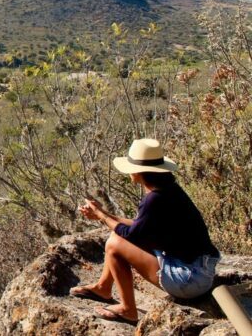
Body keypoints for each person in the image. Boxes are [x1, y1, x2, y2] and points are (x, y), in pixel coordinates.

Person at [69, 138, 220, 325]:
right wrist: (104, 214)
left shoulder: (154, 199)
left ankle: (128, 310)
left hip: (188, 280)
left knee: (114, 244)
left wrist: (101, 215)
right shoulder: (168, 190)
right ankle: (103, 288)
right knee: (116, 236)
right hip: (200, 272)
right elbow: (138, 227)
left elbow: (132, 234)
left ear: (139, 171)